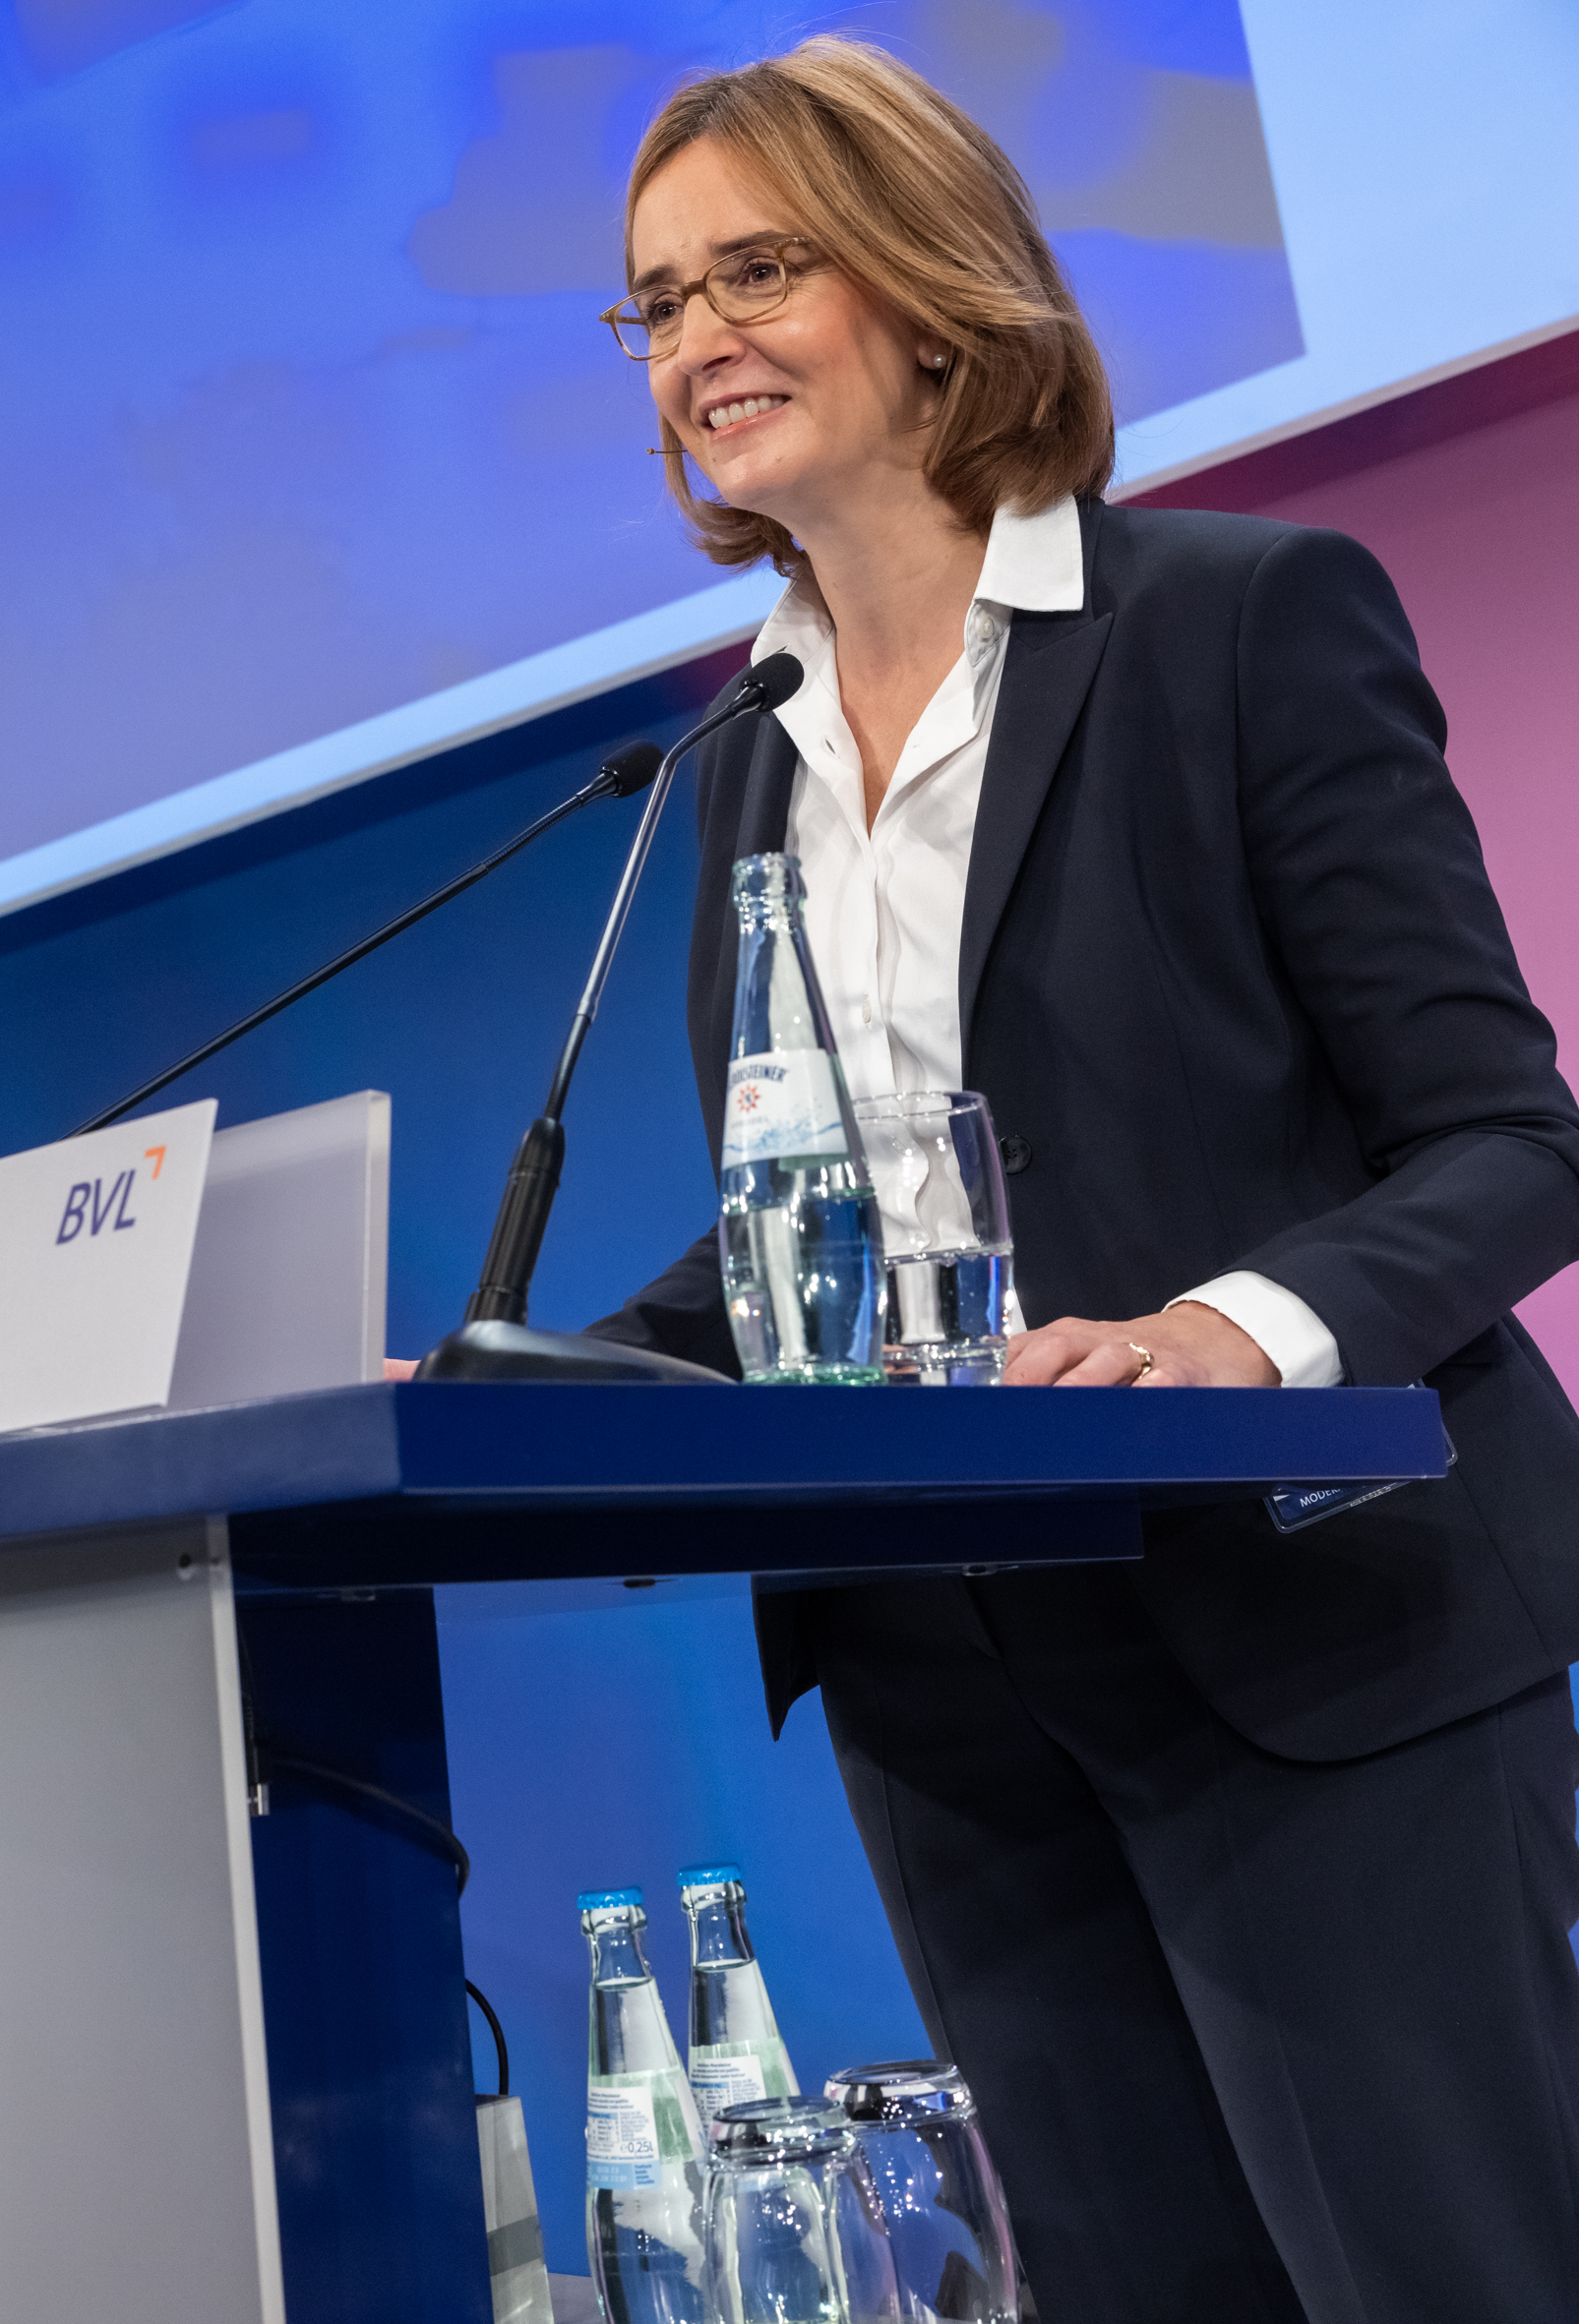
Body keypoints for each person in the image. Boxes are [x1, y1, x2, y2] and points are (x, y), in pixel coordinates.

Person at [582, 37, 1579, 2320]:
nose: (695, 338)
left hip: (1306, 1633)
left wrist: (1225, 1334)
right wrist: (505, 1379)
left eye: (755, 270)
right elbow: (818, 1240)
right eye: (654, 303)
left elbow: (1505, 1141)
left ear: (930, 288)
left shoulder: (1236, 622)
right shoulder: (737, 761)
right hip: (944, 1679)